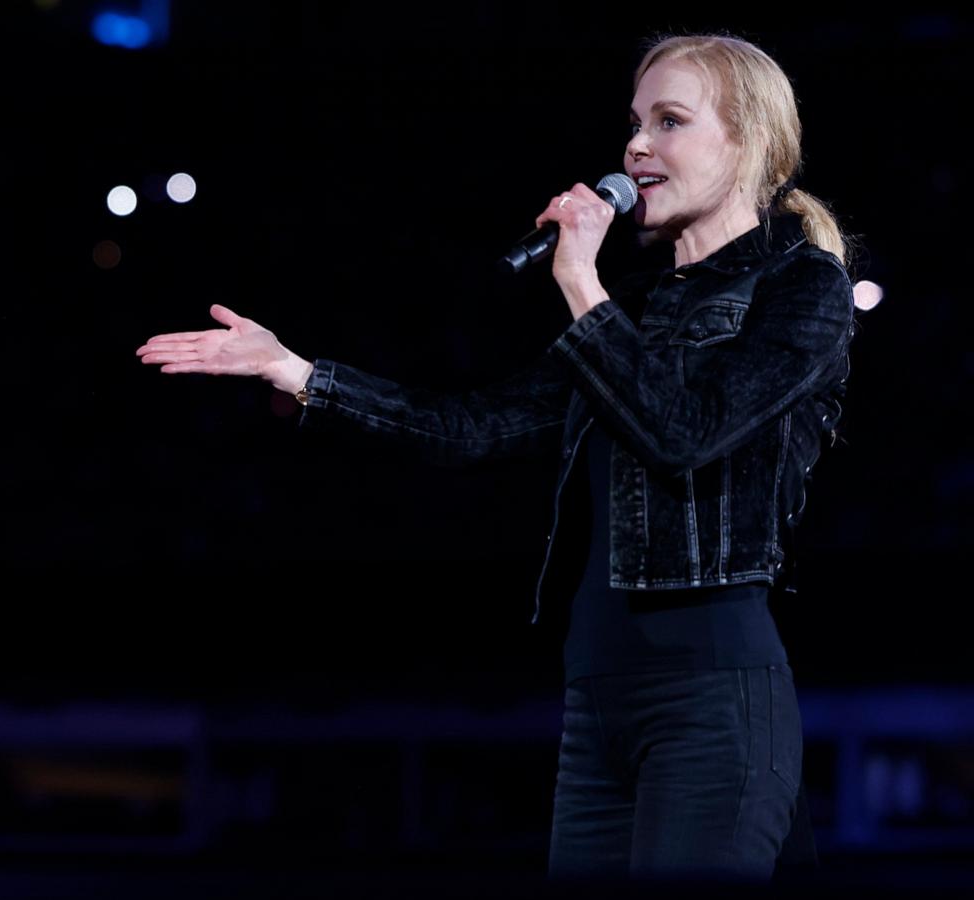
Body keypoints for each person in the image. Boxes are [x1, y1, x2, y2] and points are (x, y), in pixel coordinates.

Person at [137, 34, 862, 881]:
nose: (635, 146)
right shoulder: (628, 311)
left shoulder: (801, 287)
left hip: (711, 700)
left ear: (748, 142)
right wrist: (295, 371)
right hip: (598, 704)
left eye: (669, 122)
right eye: (634, 122)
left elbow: (687, 433)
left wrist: (581, 286)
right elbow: (474, 429)